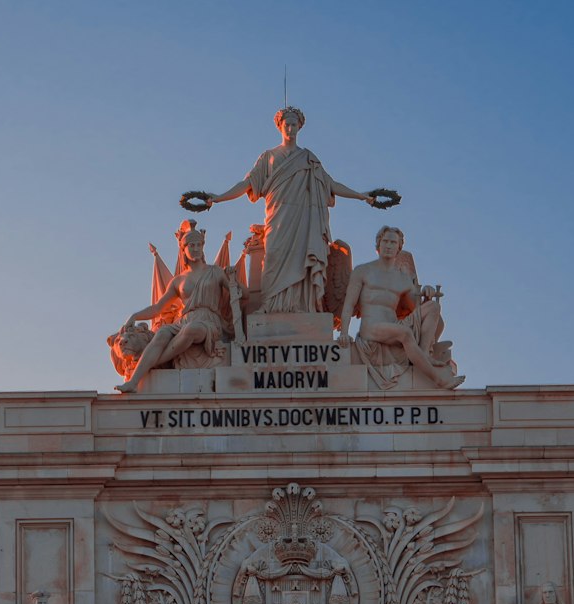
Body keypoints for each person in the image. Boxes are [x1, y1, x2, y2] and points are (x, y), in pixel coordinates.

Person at [201, 107, 381, 314]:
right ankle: (270, 305)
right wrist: (218, 198)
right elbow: (247, 184)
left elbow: (330, 184)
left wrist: (361, 195)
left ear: (300, 127)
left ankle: (303, 306)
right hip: (277, 218)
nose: (290, 128)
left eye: (294, 124)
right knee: (273, 258)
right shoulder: (268, 157)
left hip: (304, 219)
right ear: (279, 126)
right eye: (286, 124)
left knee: (302, 260)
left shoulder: (308, 159)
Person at [339, 226, 462, 389]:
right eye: (385, 241)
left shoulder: (403, 279)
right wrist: (344, 332)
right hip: (371, 329)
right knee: (405, 333)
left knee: (432, 307)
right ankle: (439, 379)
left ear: (399, 247)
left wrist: (426, 294)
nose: (389, 245)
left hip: (393, 327)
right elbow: (349, 304)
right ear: (378, 245)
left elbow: (416, 309)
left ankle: (424, 352)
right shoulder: (363, 271)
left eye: (393, 242)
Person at [116, 229, 230, 393]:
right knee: (162, 333)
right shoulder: (178, 280)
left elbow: (240, 294)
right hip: (185, 320)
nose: (196, 248)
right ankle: (133, 382)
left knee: (191, 330)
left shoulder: (216, 272)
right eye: (192, 245)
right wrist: (134, 316)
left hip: (208, 322)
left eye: (199, 245)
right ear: (183, 249)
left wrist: (234, 282)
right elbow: (158, 308)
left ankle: (153, 364)